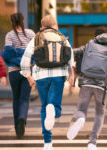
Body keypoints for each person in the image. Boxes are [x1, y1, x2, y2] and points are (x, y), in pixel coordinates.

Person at [20, 15, 75, 150]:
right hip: (58, 76)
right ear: (55, 25)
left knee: (44, 106)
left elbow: (25, 60)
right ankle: (55, 112)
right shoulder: (62, 38)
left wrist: (28, 77)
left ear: (42, 26)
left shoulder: (37, 38)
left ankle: (47, 142)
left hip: (41, 77)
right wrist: (71, 76)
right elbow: (71, 59)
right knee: (55, 106)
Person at [67, 26, 107, 150]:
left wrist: (62, 48)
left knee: (81, 109)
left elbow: (73, 52)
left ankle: (81, 119)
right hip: (102, 86)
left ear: (96, 36)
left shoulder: (89, 45)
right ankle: (92, 142)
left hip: (86, 82)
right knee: (100, 113)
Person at [1, 13, 35, 138]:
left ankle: (17, 129)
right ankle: (22, 118)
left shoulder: (9, 35)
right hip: (28, 72)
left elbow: (8, 54)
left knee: (16, 98)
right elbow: (35, 52)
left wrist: (16, 54)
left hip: (13, 71)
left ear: (11, 22)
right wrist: (26, 57)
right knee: (24, 99)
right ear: (23, 20)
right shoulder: (31, 33)